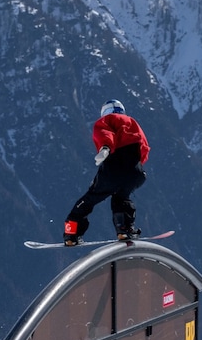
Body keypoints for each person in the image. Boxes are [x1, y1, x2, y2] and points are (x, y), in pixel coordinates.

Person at [64, 99, 150, 245]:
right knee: (121, 198)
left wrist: (105, 148)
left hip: (113, 170)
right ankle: (124, 230)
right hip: (135, 172)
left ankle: (71, 234)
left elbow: (104, 134)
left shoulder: (106, 120)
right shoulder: (133, 123)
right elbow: (144, 148)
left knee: (89, 200)